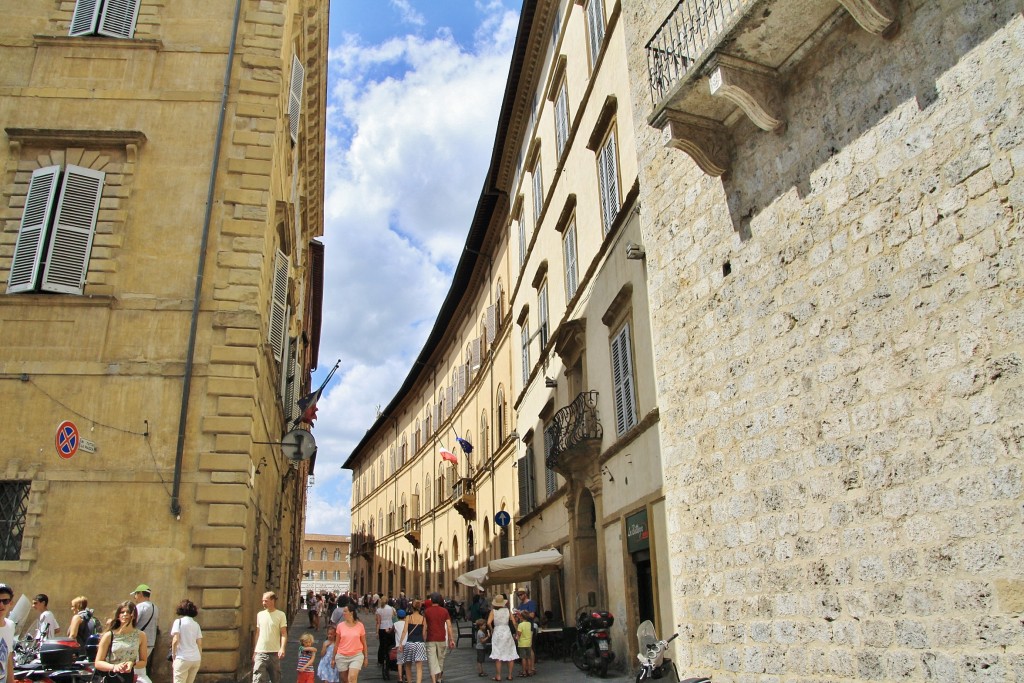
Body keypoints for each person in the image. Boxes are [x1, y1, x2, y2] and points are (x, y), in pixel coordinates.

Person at [95, 601, 148, 683]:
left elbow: (143, 662)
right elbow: (98, 663)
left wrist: (132, 663)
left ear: (133, 615)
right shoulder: (109, 635)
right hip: (111, 676)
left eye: (129, 612)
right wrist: (114, 667)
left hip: (127, 677)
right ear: (118, 615)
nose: (125, 614)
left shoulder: (141, 635)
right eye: (122, 612)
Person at [253, 591, 288, 683]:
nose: (263, 603)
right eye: (263, 601)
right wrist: (255, 651)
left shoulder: (281, 615)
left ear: (273, 601)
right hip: (260, 652)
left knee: (276, 679)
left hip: (274, 653)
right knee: (258, 679)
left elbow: (283, 633)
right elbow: (258, 633)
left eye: (266, 601)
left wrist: (282, 648)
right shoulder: (260, 614)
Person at [423, 593, 454, 683]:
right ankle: (438, 679)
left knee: (432, 661)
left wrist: (423, 637)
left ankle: (433, 681)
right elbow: (449, 626)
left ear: (431, 600)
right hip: (441, 638)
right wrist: (451, 639)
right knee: (440, 660)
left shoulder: (427, 611)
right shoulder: (444, 611)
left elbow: (425, 627)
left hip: (430, 639)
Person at [170, 599, 203, 683]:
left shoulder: (178, 622)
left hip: (182, 658)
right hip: (195, 659)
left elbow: (175, 640)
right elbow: (199, 643)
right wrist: (199, 657)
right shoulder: (196, 624)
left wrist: (174, 655)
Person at [131, 584, 159, 680]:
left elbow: (132, 623)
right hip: (150, 642)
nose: (135, 597)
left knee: (137, 672)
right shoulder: (155, 607)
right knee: (141, 670)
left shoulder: (140, 607)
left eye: (135, 594)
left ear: (140, 594)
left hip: (139, 643)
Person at [333, 605, 367, 683]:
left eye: (345, 611)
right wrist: (333, 658)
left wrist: (366, 657)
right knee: (344, 680)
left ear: (351, 613)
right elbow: (337, 643)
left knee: (352, 677)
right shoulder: (340, 626)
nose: (343, 613)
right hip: (341, 655)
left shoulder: (360, 625)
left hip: (356, 655)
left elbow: (364, 642)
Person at [487, 595, 517, 681]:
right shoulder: (508, 611)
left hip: (497, 632)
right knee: (510, 654)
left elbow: (488, 623)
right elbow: (514, 622)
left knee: (498, 655)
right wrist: (517, 632)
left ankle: (498, 676)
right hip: (506, 631)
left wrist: (492, 629)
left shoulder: (493, 611)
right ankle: (510, 675)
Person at [398, 601, 427, 683]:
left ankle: (409, 682)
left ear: (412, 608)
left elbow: (404, 631)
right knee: (419, 667)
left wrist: (400, 643)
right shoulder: (423, 619)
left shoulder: (408, 617)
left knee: (407, 666)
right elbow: (424, 633)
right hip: (420, 643)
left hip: (410, 643)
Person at [375, 596, 396, 671]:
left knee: (382, 645)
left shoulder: (379, 610)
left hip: (382, 628)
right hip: (390, 628)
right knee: (390, 644)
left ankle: (380, 661)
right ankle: (391, 660)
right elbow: (394, 619)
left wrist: (377, 632)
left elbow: (378, 622)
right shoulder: (392, 609)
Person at [1, 583, 16, 683]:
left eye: (5, 601)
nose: (1, 605)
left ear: (10, 603)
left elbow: (9, 657)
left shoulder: (10, 625)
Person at [393, 610, 407, 683]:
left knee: (399, 662)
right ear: (405, 616)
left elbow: (391, 631)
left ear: (397, 617)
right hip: (407, 644)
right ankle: (407, 677)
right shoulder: (407, 623)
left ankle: (400, 678)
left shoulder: (395, 624)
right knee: (407, 662)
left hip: (400, 645)